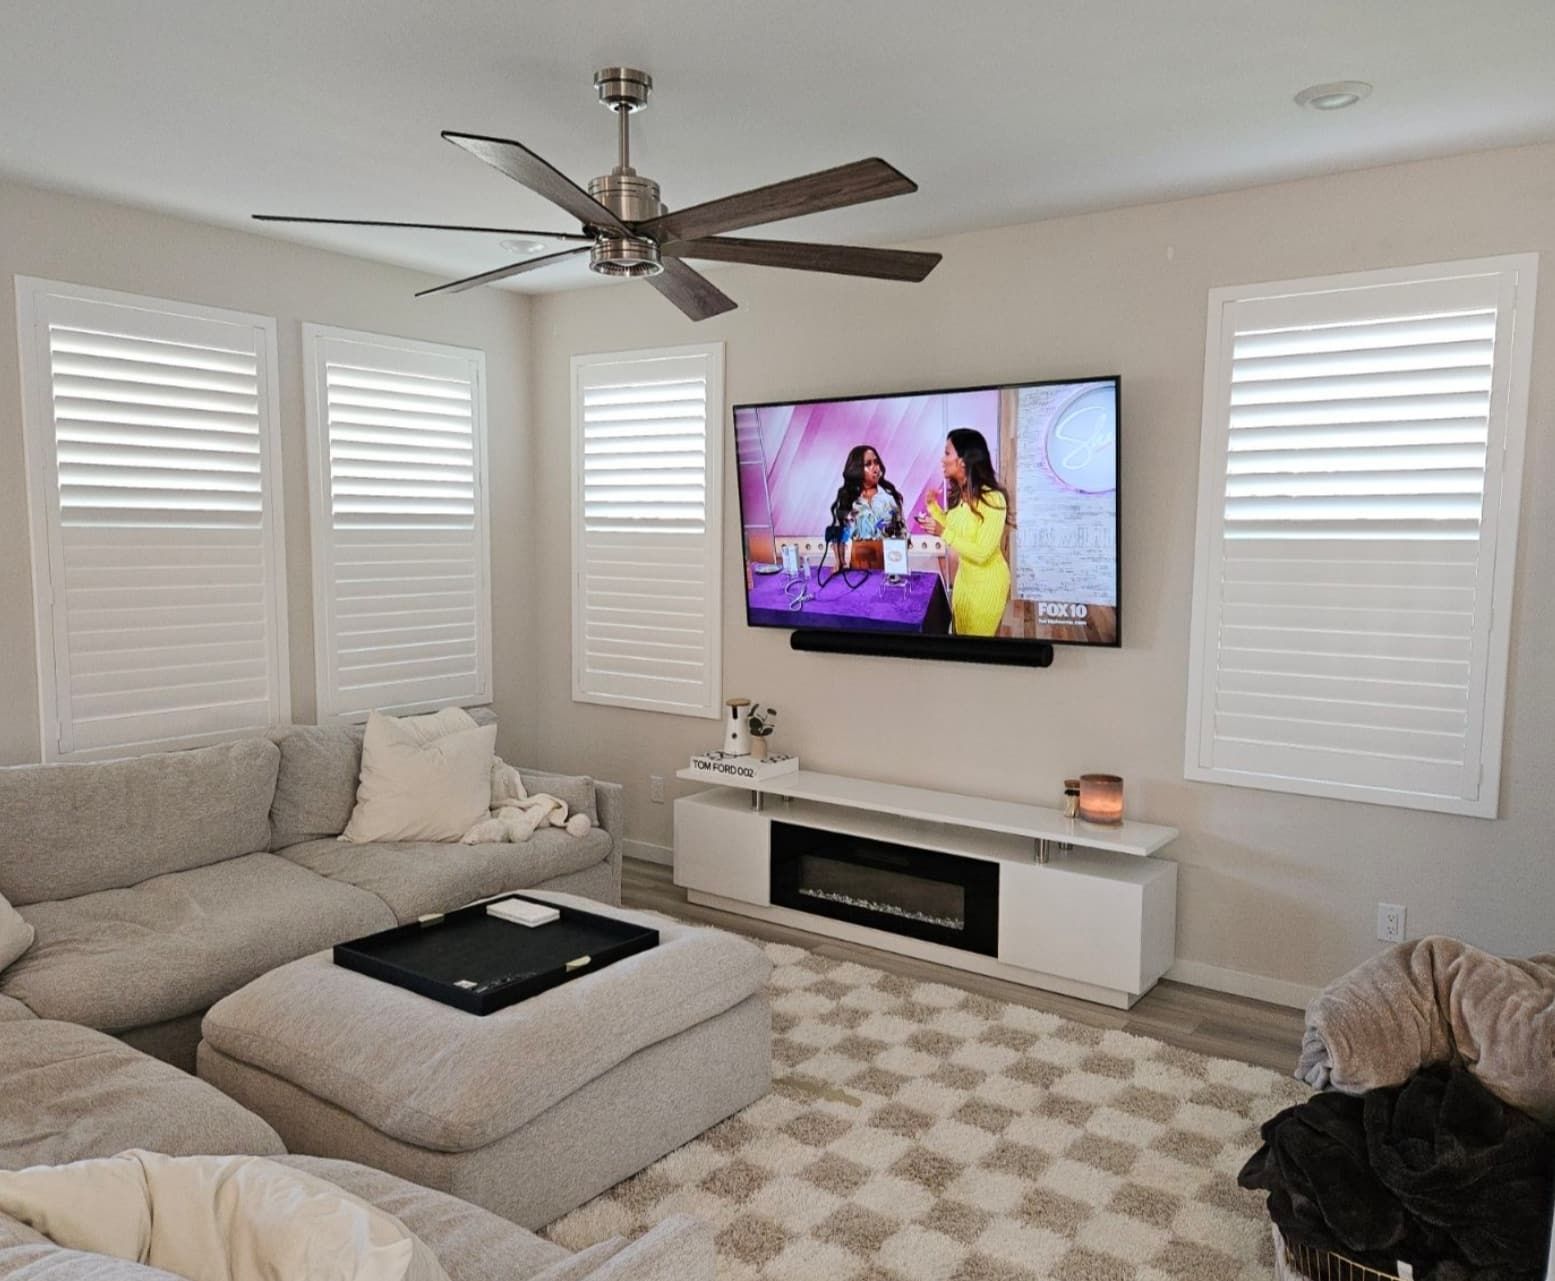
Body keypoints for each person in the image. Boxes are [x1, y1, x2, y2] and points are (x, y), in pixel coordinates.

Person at [916, 428, 1011, 636]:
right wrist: (932, 507)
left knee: (977, 648)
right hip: (964, 582)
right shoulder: (961, 494)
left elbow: (982, 552)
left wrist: (943, 532)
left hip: (987, 586)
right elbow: (954, 529)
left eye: (947, 453)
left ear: (963, 461)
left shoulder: (993, 499)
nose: (942, 459)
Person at [829, 444, 903, 569]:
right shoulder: (848, 499)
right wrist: (839, 562)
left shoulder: (889, 498)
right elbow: (838, 533)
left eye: (876, 462)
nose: (875, 468)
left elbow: (902, 533)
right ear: (856, 469)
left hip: (887, 567)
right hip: (858, 570)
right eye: (868, 464)